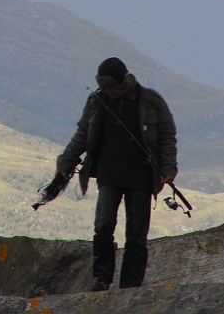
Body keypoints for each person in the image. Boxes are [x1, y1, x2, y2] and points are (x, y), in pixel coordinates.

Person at [56, 57, 178, 291]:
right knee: (102, 226)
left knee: (136, 235)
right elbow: (82, 134)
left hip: (141, 178)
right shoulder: (97, 101)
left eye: (111, 86)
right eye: (104, 87)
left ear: (123, 82)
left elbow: (166, 137)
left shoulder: (150, 101)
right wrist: (65, 161)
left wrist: (168, 168)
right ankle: (101, 278)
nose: (108, 91)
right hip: (108, 175)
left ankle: (130, 285)